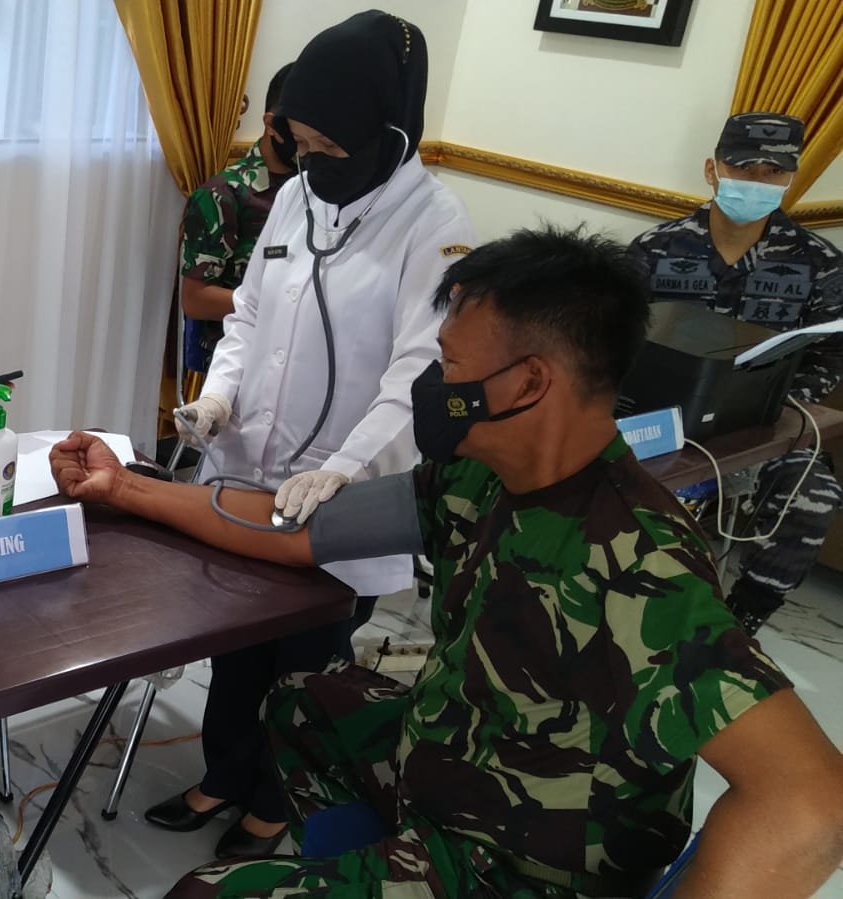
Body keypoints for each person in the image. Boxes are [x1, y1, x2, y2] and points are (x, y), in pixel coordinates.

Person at [52, 226, 843, 898]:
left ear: (528, 382)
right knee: (304, 702)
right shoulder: (481, 475)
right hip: (459, 765)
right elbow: (296, 529)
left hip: (526, 860)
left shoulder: (636, 558)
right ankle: (382, 861)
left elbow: (812, 800)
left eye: (451, 367)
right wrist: (126, 487)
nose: (434, 387)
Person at [156, 11, 475, 860]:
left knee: (304, 663)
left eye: (328, 146)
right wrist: (217, 398)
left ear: (387, 130)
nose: (309, 161)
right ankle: (223, 774)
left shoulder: (435, 226)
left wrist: (342, 471)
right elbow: (248, 313)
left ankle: (274, 800)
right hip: (247, 468)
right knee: (235, 644)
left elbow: (420, 374)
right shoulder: (297, 196)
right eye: (298, 143)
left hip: (339, 492)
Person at [627, 112, 843, 635]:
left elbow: (831, 352)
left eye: (773, 172)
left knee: (813, 496)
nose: (757, 181)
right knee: (614, 485)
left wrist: (783, 400)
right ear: (713, 170)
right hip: (660, 415)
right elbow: (612, 335)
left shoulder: (818, 262)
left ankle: (741, 621)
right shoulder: (656, 249)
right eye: (743, 168)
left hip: (764, 420)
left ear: (791, 179)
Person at [177, 62, 296, 393]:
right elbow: (195, 299)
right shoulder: (224, 194)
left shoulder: (317, 191)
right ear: (272, 125)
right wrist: (280, 307)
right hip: (240, 358)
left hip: (302, 350)